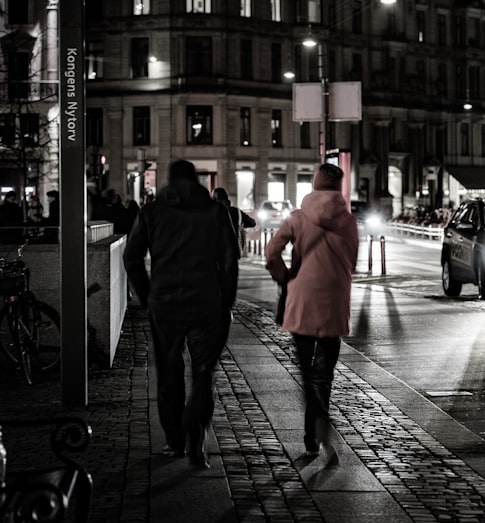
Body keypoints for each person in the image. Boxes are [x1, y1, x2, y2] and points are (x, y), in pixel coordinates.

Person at [123, 159, 239, 469]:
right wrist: (226, 301)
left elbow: (131, 257)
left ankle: (175, 440)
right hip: (207, 301)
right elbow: (230, 261)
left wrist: (147, 296)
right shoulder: (217, 212)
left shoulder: (152, 212)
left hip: (166, 303)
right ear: (196, 180)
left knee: (169, 371)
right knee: (203, 373)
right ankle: (196, 433)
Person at [264, 163, 358, 467]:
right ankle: (318, 432)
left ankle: (313, 438)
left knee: (306, 373)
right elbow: (352, 262)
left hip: (302, 300)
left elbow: (271, 253)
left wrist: (285, 278)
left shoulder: (298, 218)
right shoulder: (349, 222)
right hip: (335, 302)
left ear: (314, 186)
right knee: (325, 373)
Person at [212, 187, 256, 258]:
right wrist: (239, 224)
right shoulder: (236, 212)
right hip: (233, 251)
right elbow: (252, 223)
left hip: (215, 252)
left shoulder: (210, 213)